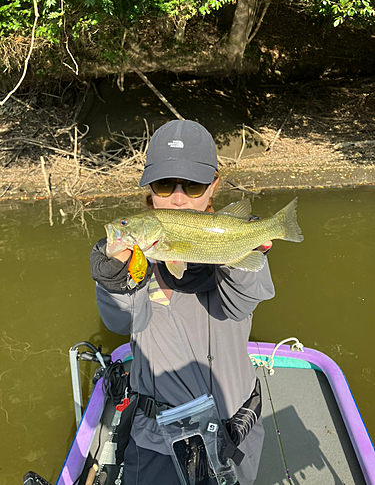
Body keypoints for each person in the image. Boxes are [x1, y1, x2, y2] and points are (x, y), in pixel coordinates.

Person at [90, 119, 275, 485]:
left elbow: (242, 302)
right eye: (164, 185)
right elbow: (122, 323)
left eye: (192, 185)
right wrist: (117, 281)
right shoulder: (137, 261)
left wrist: (230, 256)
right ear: (149, 194)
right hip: (158, 438)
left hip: (234, 433)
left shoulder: (228, 237)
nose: (178, 197)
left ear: (213, 188)